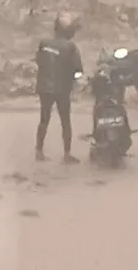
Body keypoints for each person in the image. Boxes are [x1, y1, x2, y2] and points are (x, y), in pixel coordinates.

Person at [34, 12, 84, 163]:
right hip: (62, 89)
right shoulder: (71, 47)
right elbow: (78, 70)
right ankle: (67, 154)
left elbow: (39, 61)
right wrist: (76, 81)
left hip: (44, 88)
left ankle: (39, 151)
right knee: (65, 122)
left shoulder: (44, 43)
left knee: (44, 119)